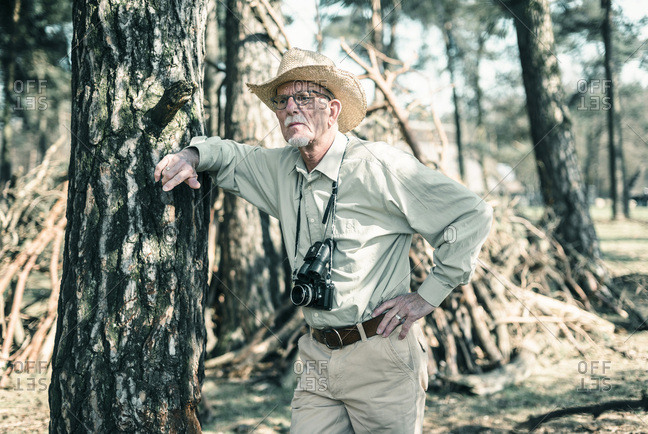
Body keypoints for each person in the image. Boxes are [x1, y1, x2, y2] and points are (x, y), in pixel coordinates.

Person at [154, 48, 492, 433]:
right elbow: (231, 157)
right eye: (282, 101)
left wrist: (429, 294)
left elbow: (472, 213)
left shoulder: (378, 165)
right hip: (316, 358)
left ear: (332, 110)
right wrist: (192, 154)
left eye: (304, 98)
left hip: (381, 356)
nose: (291, 108)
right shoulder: (280, 168)